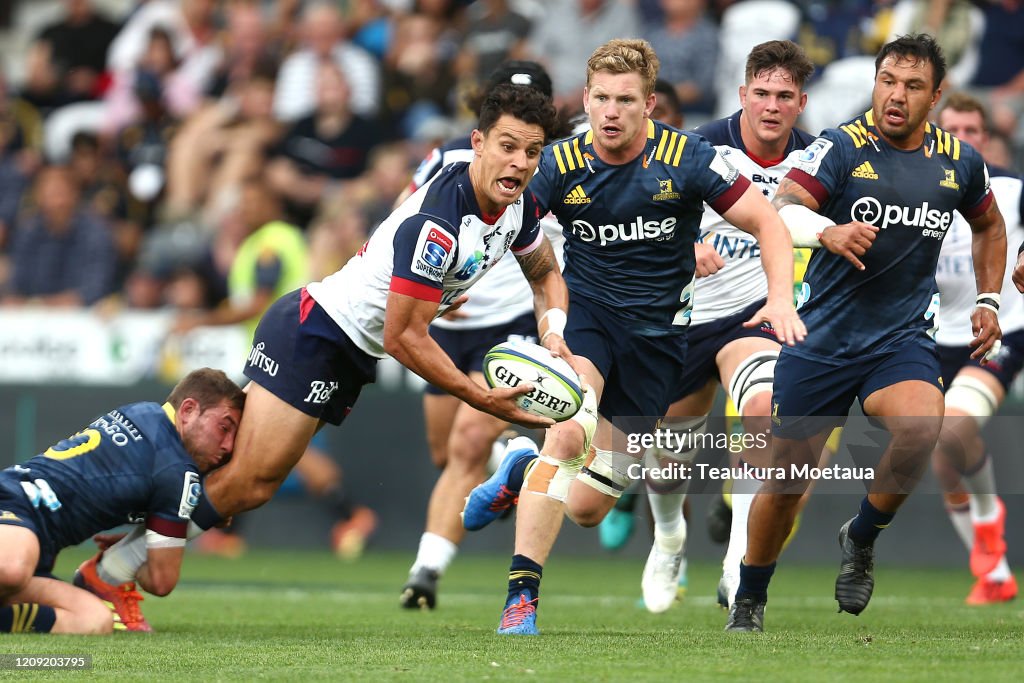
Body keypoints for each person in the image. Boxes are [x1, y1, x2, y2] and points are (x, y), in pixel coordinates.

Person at [82, 83, 568, 608]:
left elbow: (543, 273)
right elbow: (402, 336)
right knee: (246, 481)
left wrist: (554, 332)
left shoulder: (515, 207)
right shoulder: (439, 224)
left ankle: (120, 546)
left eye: (532, 152)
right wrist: (478, 397)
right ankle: (110, 566)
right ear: (477, 143)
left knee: (246, 481)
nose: (519, 163)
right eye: (508, 146)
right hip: (316, 331)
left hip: (347, 349)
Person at [462, 38, 804, 636]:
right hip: (587, 321)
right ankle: (521, 599)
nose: (611, 112)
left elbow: (767, 221)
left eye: (625, 99)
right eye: (600, 99)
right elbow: (502, 219)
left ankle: (520, 465)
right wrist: (460, 274)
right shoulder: (559, 164)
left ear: (649, 103)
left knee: (590, 508)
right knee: (568, 434)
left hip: (659, 346)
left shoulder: (690, 158)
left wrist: (778, 298)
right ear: (585, 101)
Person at [727, 34, 1006, 633]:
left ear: (935, 97)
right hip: (820, 340)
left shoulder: (959, 160)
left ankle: (861, 534)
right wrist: (827, 232)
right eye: (887, 81)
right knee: (783, 483)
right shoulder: (841, 146)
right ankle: (750, 594)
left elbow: (990, 226)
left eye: (911, 86)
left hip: (897, 340)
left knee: (922, 425)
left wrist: (987, 299)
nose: (895, 96)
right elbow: (783, 207)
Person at [638, 39, 817, 615]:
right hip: (686, 318)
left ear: (801, 103)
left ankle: (739, 561)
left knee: (763, 413)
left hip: (757, 318)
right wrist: (684, 243)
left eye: (783, 96)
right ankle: (669, 539)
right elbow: (644, 214)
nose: (771, 105)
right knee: (667, 459)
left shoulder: (817, 162)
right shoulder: (697, 149)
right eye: (761, 93)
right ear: (742, 94)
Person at [397, 61, 562, 610]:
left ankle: (425, 570)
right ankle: (506, 467)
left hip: (512, 321)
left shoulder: (557, 166)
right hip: (444, 320)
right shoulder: (447, 159)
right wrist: (429, 283)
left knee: (470, 437)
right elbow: (403, 214)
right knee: (447, 452)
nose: (520, 155)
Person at [0, 368, 244, 634]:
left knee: (95, 620)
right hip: (15, 501)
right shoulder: (177, 471)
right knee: (10, 569)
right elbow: (161, 581)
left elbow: (116, 483)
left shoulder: (142, 412)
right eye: (224, 428)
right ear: (188, 410)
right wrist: (138, 553)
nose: (229, 446)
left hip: (36, 543)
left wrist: (146, 535)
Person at [932, 92, 1022, 605]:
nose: (964, 140)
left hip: (1001, 331)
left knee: (954, 428)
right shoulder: (920, 193)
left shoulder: (1010, 192)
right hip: (931, 336)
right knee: (943, 457)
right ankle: (995, 575)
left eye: (973, 131)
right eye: (954, 131)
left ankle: (989, 524)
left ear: (986, 139)